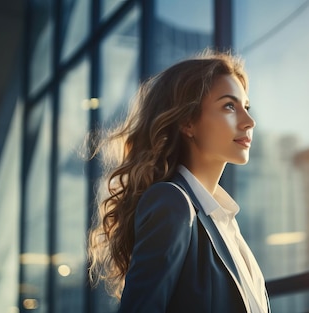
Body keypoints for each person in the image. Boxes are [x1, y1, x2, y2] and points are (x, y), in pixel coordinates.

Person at [87, 50, 270, 313]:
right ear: (188, 123)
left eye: (246, 107)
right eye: (229, 106)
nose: (249, 121)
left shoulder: (226, 223)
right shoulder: (172, 202)